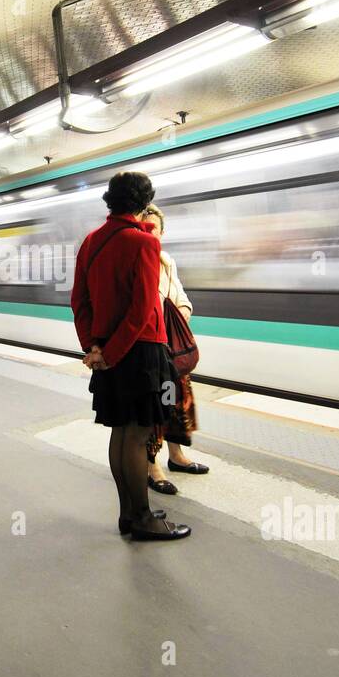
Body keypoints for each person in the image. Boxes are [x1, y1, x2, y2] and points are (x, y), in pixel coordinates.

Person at [71, 171, 191, 541]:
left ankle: (128, 513)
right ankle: (142, 518)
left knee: (121, 433)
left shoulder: (91, 241)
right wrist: (114, 353)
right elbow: (141, 309)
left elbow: (79, 301)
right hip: (140, 352)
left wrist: (95, 348)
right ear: (143, 204)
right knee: (138, 437)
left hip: (109, 351)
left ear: (111, 200)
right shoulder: (144, 243)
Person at [141, 204, 209, 496]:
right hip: (151, 350)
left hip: (171, 349)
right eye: (146, 228)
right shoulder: (137, 261)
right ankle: (150, 465)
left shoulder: (167, 262)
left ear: (163, 232)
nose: (152, 233)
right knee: (153, 405)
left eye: (155, 228)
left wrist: (180, 313)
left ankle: (176, 455)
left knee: (175, 399)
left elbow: (181, 297)